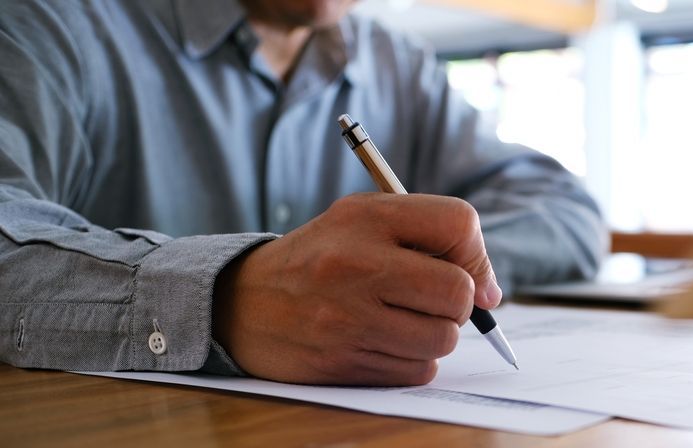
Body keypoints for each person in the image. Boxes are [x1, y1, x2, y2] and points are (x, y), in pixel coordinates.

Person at [0, 0, 607, 385]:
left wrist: (425, 267)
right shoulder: (49, 26)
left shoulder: (400, 67)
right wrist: (226, 296)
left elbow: (566, 209)